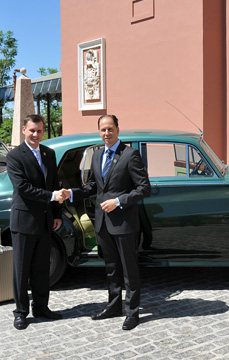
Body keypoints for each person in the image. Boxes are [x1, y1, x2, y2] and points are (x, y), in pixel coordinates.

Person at [62, 114, 151, 330]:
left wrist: (119, 201)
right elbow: (92, 187)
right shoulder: (97, 154)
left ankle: (132, 312)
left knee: (129, 269)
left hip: (124, 223)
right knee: (111, 268)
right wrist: (71, 194)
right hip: (102, 222)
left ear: (118, 129)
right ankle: (114, 306)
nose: (106, 133)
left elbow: (144, 188)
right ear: (99, 131)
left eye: (110, 129)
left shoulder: (130, 155)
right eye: (103, 130)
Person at [6, 114, 66, 330]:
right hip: (23, 221)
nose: (35, 134)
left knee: (41, 268)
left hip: (45, 220)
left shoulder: (48, 153)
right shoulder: (15, 156)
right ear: (24, 130)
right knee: (21, 270)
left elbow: (54, 183)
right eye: (32, 130)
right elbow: (22, 188)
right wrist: (51, 197)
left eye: (39, 131)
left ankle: (41, 307)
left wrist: (57, 212)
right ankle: (20, 312)